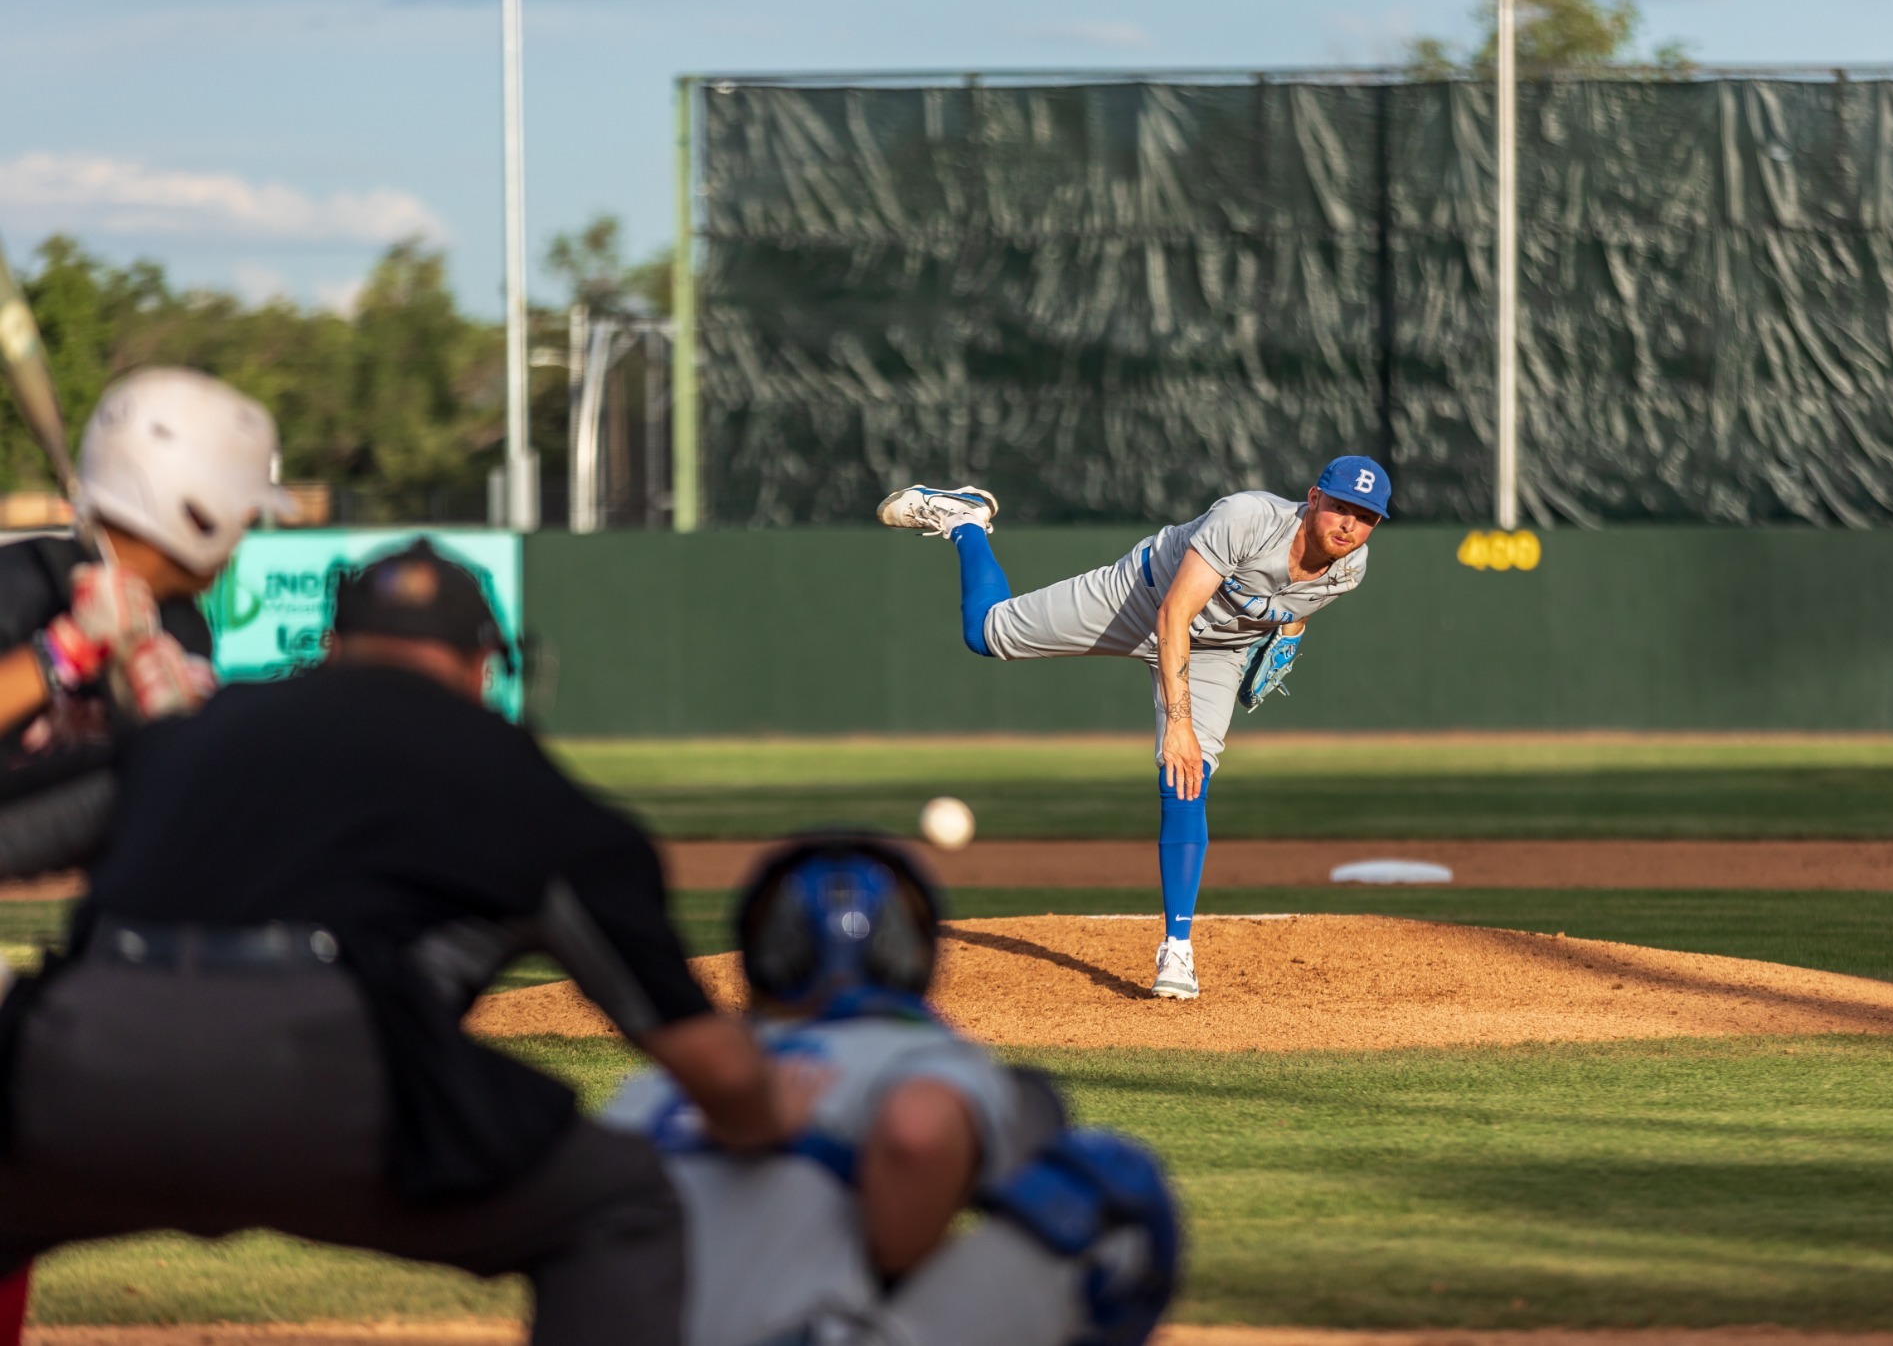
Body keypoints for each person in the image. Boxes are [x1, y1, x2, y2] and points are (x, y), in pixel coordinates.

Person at [0, 539, 820, 1346]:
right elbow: (705, 1063)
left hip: (79, 1067)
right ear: (482, 664)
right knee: (619, 1205)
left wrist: (147, 740)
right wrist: (770, 1106)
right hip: (332, 1081)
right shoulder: (519, 781)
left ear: (331, 649)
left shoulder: (204, 730)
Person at [604, 834, 1180, 1346]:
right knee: (1109, 1189)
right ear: (910, 953)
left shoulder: (660, 1087)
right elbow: (915, 1134)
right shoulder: (915, 1053)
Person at [0, 366, 293, 1344]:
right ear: (200, 512)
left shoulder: (175, 620)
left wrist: (173, 716)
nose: (249, 533)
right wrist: (65, 653)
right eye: (242, 513)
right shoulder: (20, 586)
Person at [876, 457, 1390, 1000]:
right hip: (1139, 599)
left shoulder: (1350, 568)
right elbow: (1173, 617)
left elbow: (1297, 607)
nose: (1349, 525)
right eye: (1339, 507)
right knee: (988, 634)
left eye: (1366, 517)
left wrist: (1288, 635)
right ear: (1313, 498)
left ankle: (1178, 950)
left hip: (1220, 650)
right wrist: (1178, 723)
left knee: (1188, 777)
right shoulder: (1247, 518)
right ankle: (966, 522)